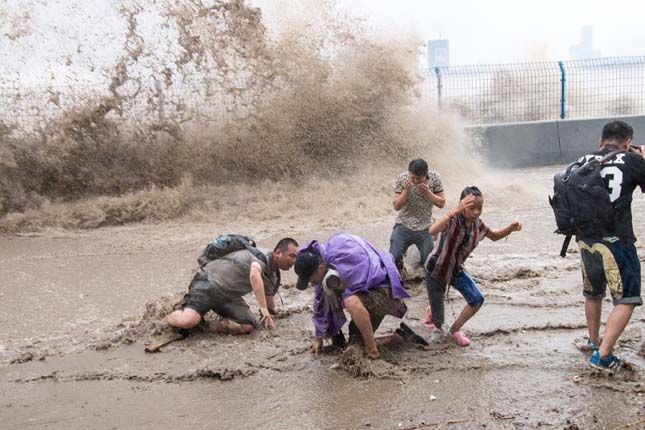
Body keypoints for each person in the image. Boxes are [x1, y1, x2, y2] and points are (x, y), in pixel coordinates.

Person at [572, 121, 645, 372]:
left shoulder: (583, 159)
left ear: (601, 142)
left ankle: (593, 342)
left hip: (585, 240)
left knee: (593, 292)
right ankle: (603, 356)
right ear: (627, 142)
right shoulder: (631, 159)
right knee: (628, 298)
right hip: (617, 241)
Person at [424, 186, 522, 347]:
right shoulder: (452, 220)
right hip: (436, 270)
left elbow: (494, 236)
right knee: (438, 322)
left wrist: (510, 228)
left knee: (477, 299)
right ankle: (433, 316)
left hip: (456, 270)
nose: (476, 212)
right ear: (462, 206)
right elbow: (432, 230)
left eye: (479, 208)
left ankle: (454, 330)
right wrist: (455, 210)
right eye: (471, 208)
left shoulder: (478, 225)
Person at [294, 233, 411, 359]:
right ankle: (401, 337)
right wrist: (318, 338)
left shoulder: (344, 254)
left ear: (320, 268)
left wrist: (342, 287)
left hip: (386, 292)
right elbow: (320, 303)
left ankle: (373, 351)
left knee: (350, 301)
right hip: (367, 296)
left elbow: (365, 282)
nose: (311, 283)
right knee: (354, 348)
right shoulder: (324, 261)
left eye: (310, 279)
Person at [166, 237, 299, 335]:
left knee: (248, 325)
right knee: (188, 321)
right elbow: (254, 274)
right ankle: (167, 319)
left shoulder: (273, 276)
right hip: (208, 284)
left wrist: (270, 317)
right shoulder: (261, 256)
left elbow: (270, 309)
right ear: (277, 253)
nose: (293, 261)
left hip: (227, 298)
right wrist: (263, 308)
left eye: (296, 258)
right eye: (291, 256)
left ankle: (205, 328)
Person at [389, 159, 446, 274]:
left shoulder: (434, 179)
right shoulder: (403, 179)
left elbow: (441, 203)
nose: (414, 181)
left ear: (425, 175)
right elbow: (396, 206)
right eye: (412, 178)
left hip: (425, 227)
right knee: (394, 258)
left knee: (428, 263)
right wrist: (406, 191)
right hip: (403, 224)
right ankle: (400, 280)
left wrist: (428, 193)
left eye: (418, 179)